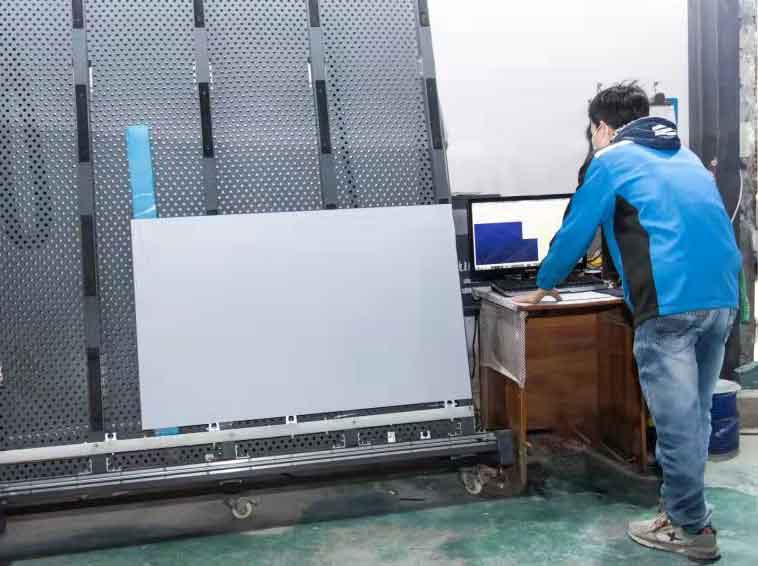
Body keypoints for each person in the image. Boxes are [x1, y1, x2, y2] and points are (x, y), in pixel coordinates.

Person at [517, 83, 740, 562]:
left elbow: (576, 231)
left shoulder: (611, 161)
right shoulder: (686, 157)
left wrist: (545, 281)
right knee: (695, 416)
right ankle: (679, 511)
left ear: (602, 128)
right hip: (723, 297)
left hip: (670, 305)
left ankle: (692, 529)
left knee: (676, 424)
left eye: (591, 132)